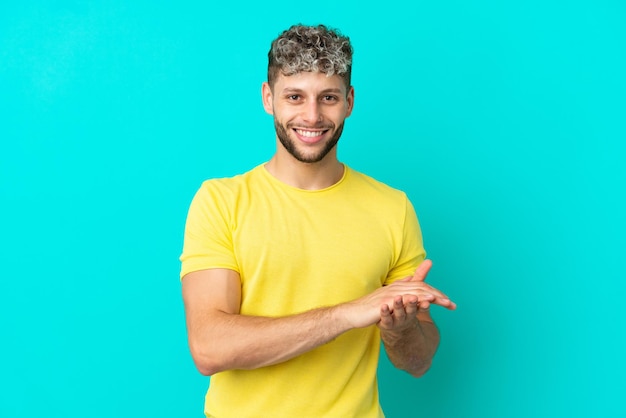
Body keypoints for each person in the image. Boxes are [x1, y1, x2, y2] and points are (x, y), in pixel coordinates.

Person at [180, 24, 456, 418]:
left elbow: (418, 362)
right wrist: (348, 313)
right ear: (268, 98)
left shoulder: (393, 208)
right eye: (295, 96)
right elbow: (209, 347)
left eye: (328, 97)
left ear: (349, 102)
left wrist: (400, 329)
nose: (312, 116)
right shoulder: (221, 202)